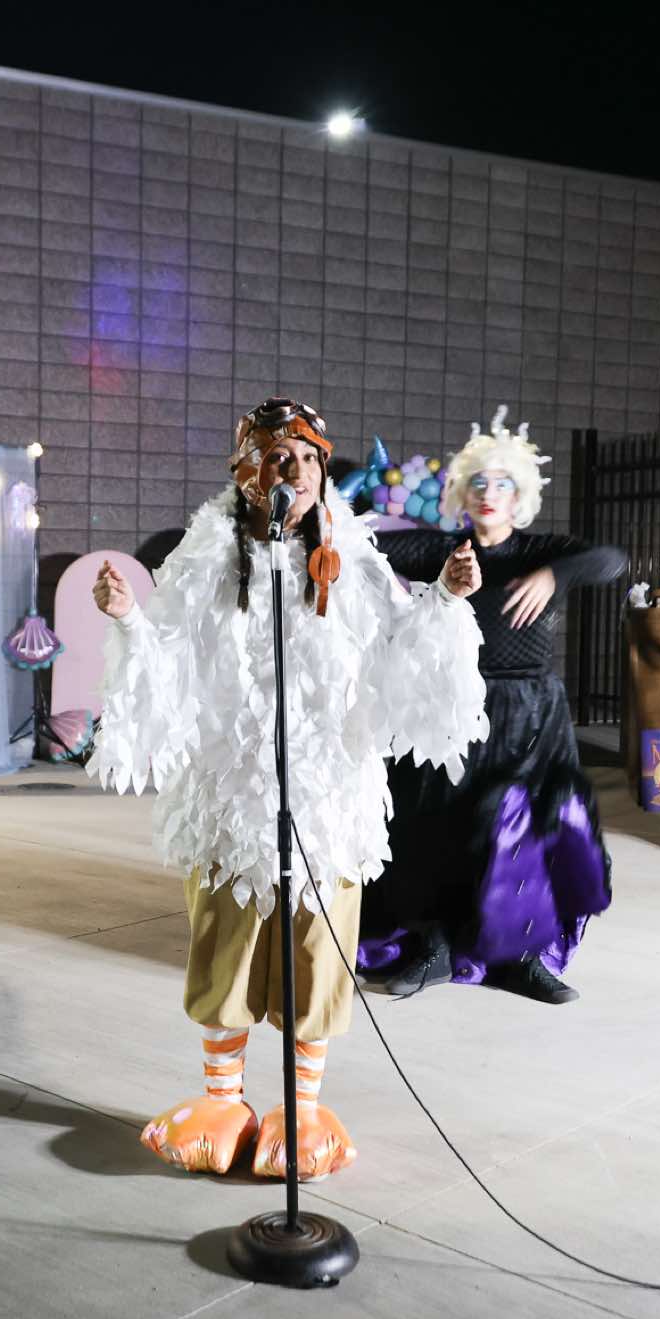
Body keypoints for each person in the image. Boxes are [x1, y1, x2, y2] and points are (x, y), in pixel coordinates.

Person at [89, 396, 487, 1181]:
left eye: (307, 459)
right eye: (278, 456)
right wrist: (129, 616)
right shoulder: (205, 557)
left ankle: (301, 1111)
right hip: (232, 795)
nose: (294, 472)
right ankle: (221, 1103)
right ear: (245, 469)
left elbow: (395, 646)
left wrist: (443, 598)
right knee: (227, 947)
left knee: (317, 951)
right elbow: (167, 659)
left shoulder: (352, 556)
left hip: (326, 799)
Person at [357, 408, 625, 1005]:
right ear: (463, 491)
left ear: (519, 496)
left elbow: (612, 560)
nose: (488, 493)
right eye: (478, 482)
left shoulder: (541, 550)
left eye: (502, 484)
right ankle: (433, 945)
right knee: (435, 828)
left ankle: (521, 956)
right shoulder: (443, 549)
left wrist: (553, 574)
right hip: (452, 709)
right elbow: (364, 546)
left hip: (530, 713)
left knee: (520, 832)